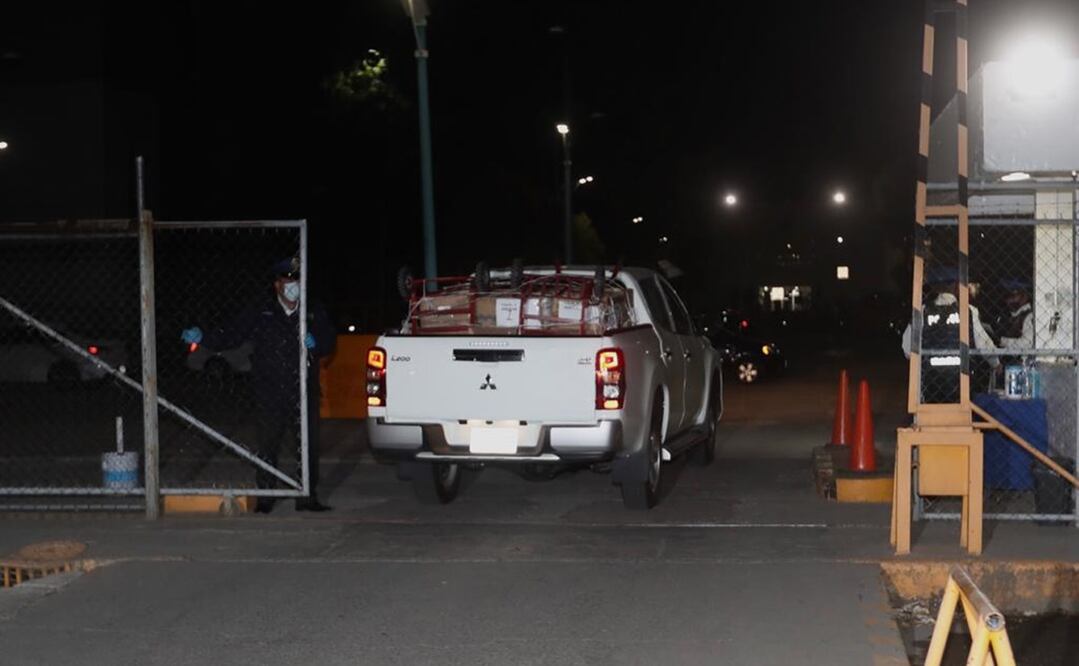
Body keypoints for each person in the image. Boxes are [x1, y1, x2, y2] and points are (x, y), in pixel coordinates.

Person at [182, 257, 336, 513]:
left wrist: (316, 343)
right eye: (287, 281)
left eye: (296, 280)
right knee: (268, 443)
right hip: (269, 389)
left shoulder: (312, 309)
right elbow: (232, 333)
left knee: (307, 444)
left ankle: (307, 496)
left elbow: (330, 339)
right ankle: (266, 495)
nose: (292, 286)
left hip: (303, 388)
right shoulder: (262, 311)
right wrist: (204, 337)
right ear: (277, 285)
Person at [902, 266, 997, 402]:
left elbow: (907, 348)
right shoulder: (968, 311)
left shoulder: (922, 312)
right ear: (957, 286)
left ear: (935, 287)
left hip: (930, 383)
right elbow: (984, 343)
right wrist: (996, 363)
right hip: (962, 382)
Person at [995, 278, 1034, 351]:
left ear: (1025, 296)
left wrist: (1002, 341)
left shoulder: (1029, 316)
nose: (1009, 299)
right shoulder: (1006, 315)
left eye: (1013, 294)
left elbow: (1027, 344)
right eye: (1007, 295)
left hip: (1022, 360)